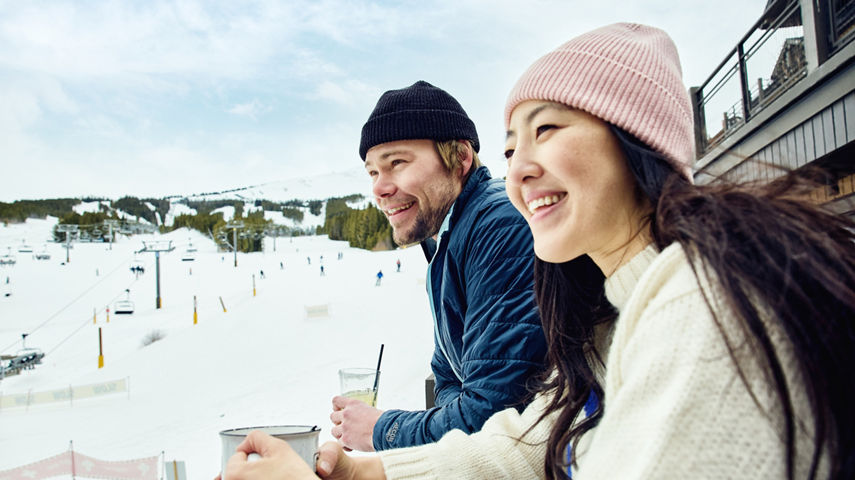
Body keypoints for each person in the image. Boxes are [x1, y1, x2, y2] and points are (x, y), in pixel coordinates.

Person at [219, 23, 855, 480]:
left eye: (546, 129)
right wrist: (368, 473)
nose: (520, 168)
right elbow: (535, 440)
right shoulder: (611, 320)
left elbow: (492, 401)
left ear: (635, 142)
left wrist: (378, 436)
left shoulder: (704, 306)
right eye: (512, 146)